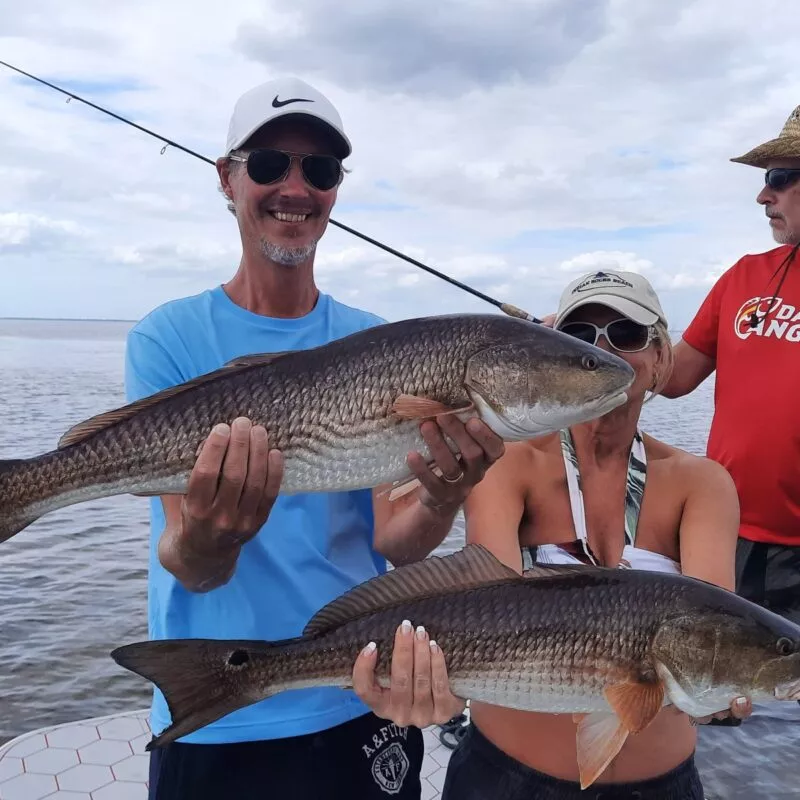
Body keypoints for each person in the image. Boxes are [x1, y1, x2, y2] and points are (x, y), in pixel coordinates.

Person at [124, 76, 504, 800]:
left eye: (319, 170)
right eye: (268, 164)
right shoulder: (166, 337)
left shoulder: (375, 342)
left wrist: (443, 495)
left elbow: (397, 542)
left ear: (334, 191)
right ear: (226, 179)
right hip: (217, 710)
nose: (294, 187)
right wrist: (214, 534)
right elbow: (191, 566)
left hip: (357, 688)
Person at [353, 269, 752, 800]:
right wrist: (431, 683)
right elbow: (482, 608)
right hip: (507, 779)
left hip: (661, 784)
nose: (605, 349)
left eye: (627, 335)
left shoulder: (701, 482)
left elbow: (713, 633)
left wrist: (732, 689)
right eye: (581, 338)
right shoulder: (508, 463)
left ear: (660, 357)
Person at [661, 105, 800, 625]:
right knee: (717, 698)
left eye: (780, 179)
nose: (763, 195)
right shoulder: (743, 277)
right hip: (724, 532)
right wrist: (592, 337)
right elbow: (672, 377)